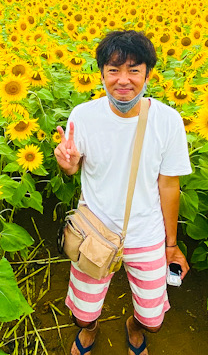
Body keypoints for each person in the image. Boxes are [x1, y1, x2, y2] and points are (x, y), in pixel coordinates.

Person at [54, 30, 192, 355]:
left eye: (133, 69)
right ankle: (91, 330)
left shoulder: (168, 121)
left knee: (153, 319)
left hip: (145, 233)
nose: (123, 80)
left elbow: (169, 185)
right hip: (94, 231)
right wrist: (68, 163)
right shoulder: (83, 116)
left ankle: (134, 325)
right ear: (101, 73)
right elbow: (73, 167)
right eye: (114, 70)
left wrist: (171, 245)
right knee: (81, 314)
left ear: (147, 74)